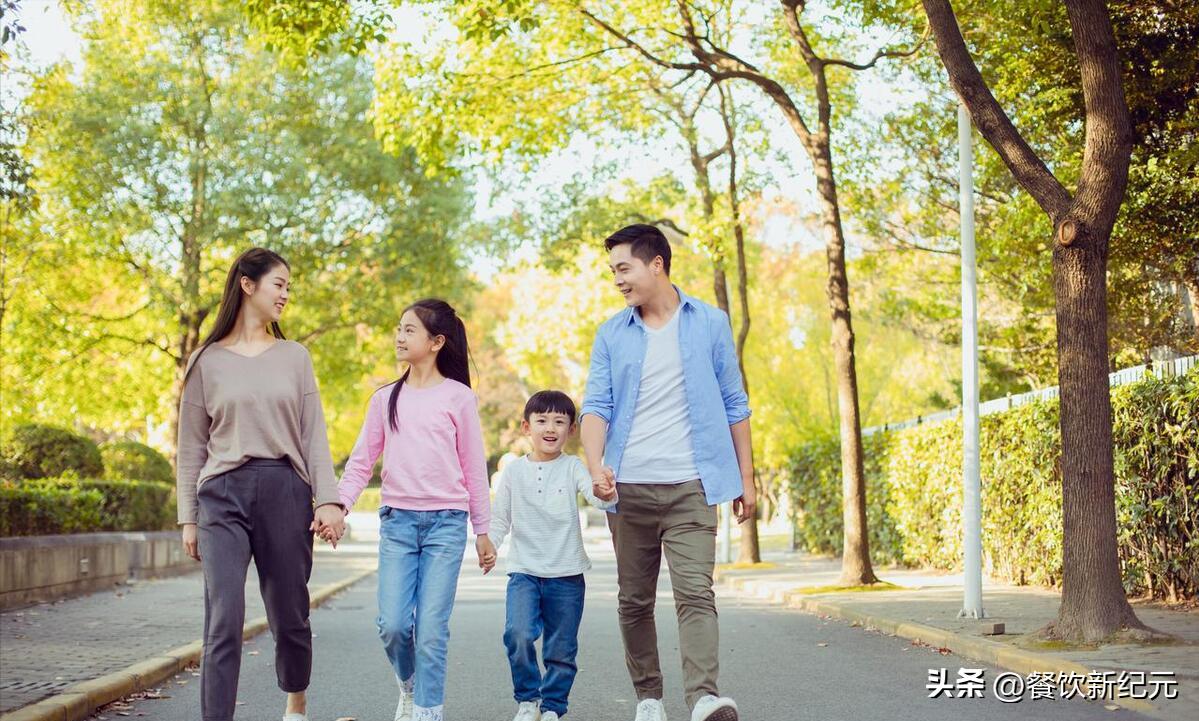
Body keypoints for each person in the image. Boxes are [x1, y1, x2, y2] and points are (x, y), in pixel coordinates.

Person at [580, 224, 755, 721]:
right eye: (612, 270)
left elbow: (734, 404)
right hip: (628, 488)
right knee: (634, 600)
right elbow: (596, 407)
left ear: (656, 264)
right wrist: (596, 467)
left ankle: (703, 697)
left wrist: (747, 478)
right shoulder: (612, 333)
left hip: (692, 486)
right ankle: (649, 697)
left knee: (696, 592)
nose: (617, 279)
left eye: (623, 267)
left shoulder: (710, 323)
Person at [176, 247, 346, 721]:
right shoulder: (205, 361)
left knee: (289, 615)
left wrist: (328, 501)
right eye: (280, 284)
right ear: (248, 285)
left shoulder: (295, 357)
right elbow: (190, 445)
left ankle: (295, 699)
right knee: (223, 619)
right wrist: (188, 517)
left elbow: (314, 433)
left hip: (283, 491)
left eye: (289, 287)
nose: (286, 294)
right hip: (220, 496)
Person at [332, 298, 495, 721]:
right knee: (394, 626)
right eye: (399, 328)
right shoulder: (385, 398)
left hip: (446, 526)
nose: (399, 337)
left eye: (409, 330)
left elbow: (474, 467)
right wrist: (339, 505)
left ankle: (427, 711)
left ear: (437, 341)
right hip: (398, 525)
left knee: (431, 632)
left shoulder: (459, 398)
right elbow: (360, 463)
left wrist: (482, 529)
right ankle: (408, 685)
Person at [489, 390, 618, 721]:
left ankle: (553, 707)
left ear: (571, 429)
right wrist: (489, 543)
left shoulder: (573, 466)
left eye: (559, 421)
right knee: (517, 634)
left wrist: (605, 489)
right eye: (542, 420)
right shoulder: (514, 472)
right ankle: (528, 700)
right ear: (525, 427)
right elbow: (500, 517)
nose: (550, 428)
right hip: (524, 572)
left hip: (567, 574)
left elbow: (598, 498)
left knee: (561, 650)